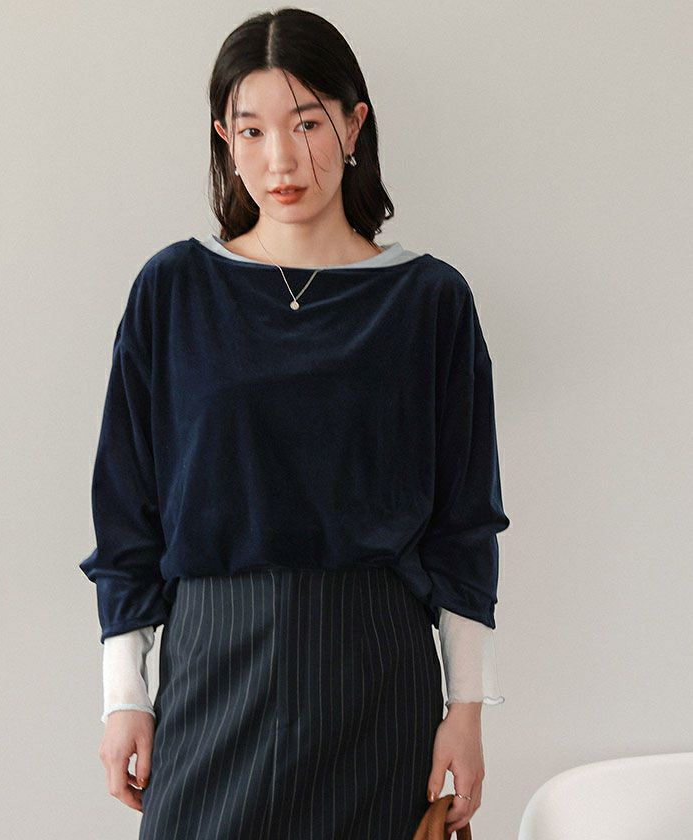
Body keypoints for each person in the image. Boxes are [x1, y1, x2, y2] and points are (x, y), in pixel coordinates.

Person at [79, 8, 510, 839]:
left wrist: (467, 713)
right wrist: (124, 697)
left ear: (354, 124)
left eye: (307, 123)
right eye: (252, 130)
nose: (281, 159)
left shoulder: (428, 301)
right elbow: (128, 510)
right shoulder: (175, 289)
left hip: (375, 667)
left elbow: (464, 525)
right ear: (224, 139)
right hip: (212, 663)